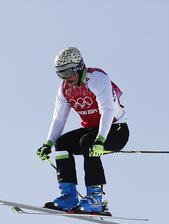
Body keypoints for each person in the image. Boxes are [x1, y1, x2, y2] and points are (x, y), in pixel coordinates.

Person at [36, 47, 129, 214]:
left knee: (88, 142)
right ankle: (69, 196)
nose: (65, 77)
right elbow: (59, 119)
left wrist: (100, 139)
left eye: (68, 71)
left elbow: (107, 110)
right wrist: (48, 143)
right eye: (60, 73)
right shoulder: (65, 89)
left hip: (116, 130)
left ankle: (95, 198)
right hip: (92, 130)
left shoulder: (97, 79)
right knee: (62, 143)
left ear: (79, 66)